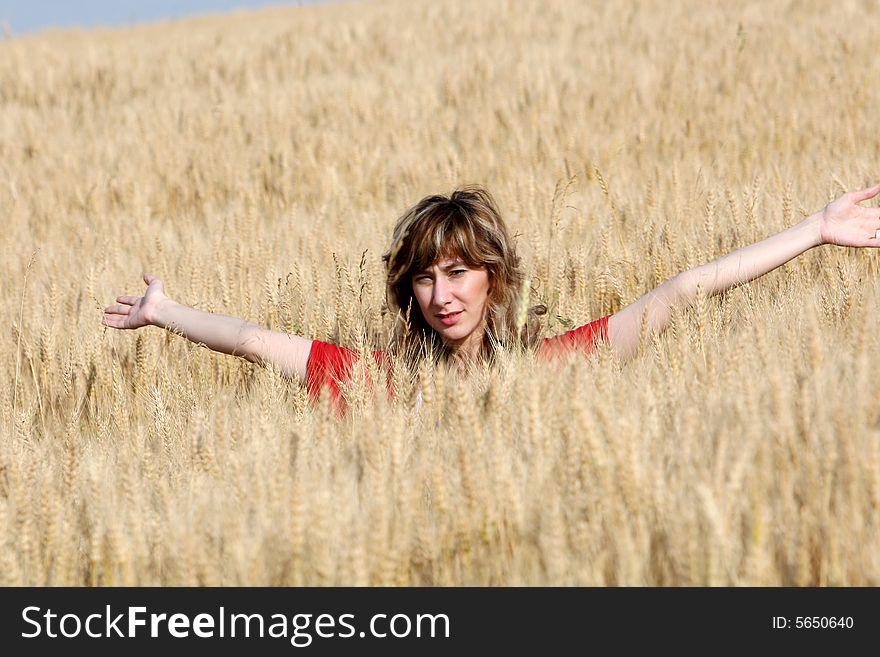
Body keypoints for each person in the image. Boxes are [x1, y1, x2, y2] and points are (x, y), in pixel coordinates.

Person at [102, 183, 880, 413]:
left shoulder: (551, 372)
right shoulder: (382, 386)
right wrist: (164, 311)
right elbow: (250, 337)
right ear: (409, 289)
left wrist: (814, 229)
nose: (443, 294)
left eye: (459, 272)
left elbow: (683, 290)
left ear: (493, 279)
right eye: (426, 276)